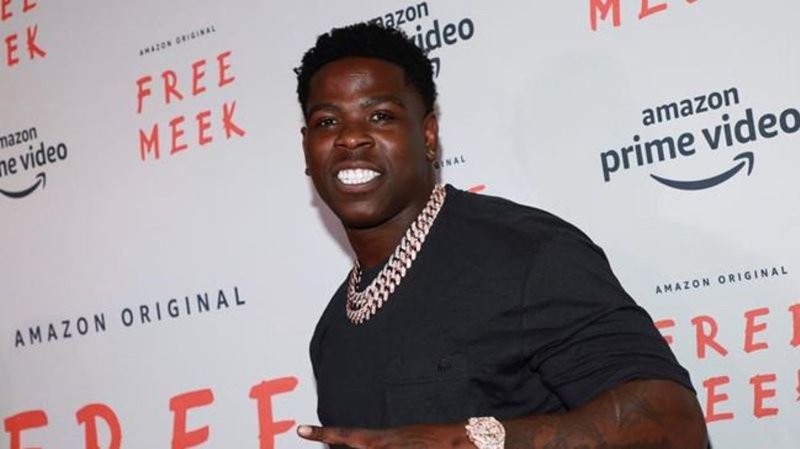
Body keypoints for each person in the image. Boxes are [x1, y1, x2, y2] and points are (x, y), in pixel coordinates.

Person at [294, 22, 708, 449]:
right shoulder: (331, 335)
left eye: (381, 116)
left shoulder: (528, 254)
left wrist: (467, 440)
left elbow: (675, 423)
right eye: (327, 121)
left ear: (429, 136)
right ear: (307, 148)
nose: (350, 138)